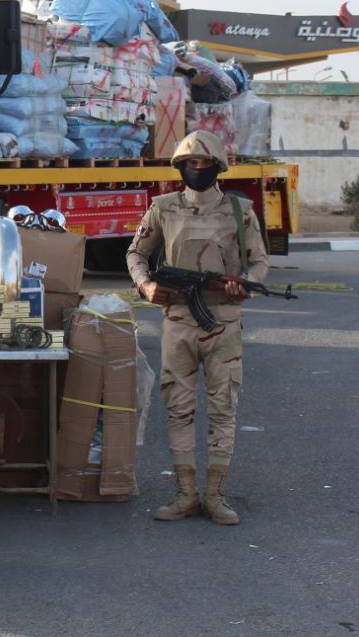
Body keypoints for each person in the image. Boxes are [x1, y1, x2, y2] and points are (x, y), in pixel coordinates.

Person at [126, 130, 269, 525]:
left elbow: (259, 263)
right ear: (181, 166)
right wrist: (146, 285)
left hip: (224, 320)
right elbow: (137, 253)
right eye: (192, 163)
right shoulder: (162, 207)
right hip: (177, 320)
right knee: (178, 408)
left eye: (206, 164)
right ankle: (186, 493)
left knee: (224, 406)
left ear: (218, 167)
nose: (199, 170)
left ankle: (215, 494)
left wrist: (246, 285)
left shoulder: (241, 212)